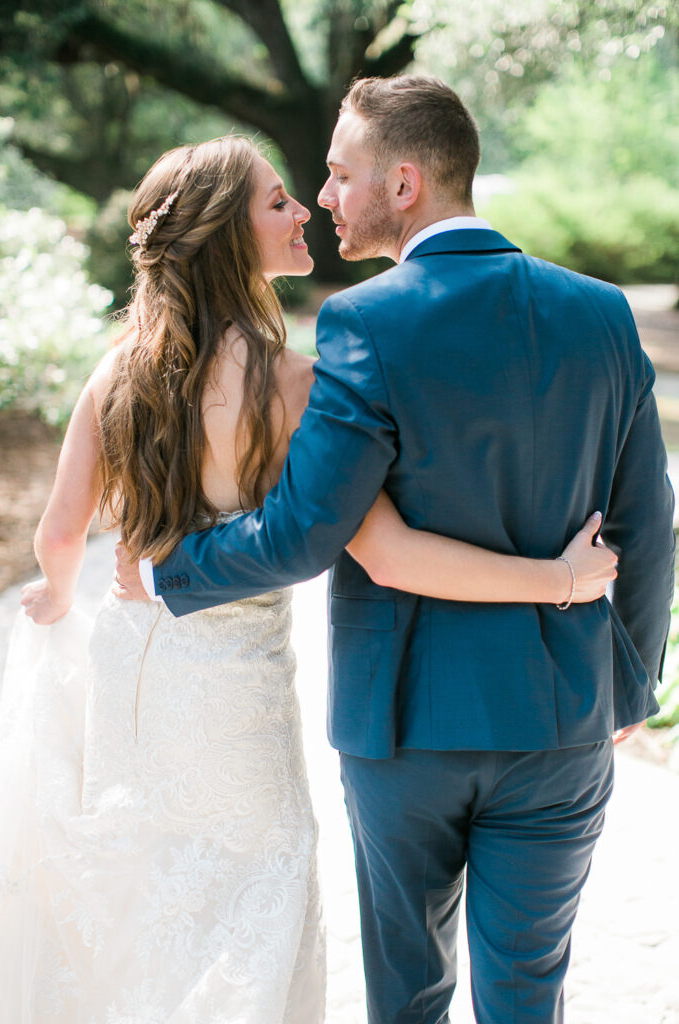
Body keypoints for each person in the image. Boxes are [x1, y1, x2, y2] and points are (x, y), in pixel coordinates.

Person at [0, 135, 613, 1024]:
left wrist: (60, 599)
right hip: (235, 689)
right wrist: (556, 576)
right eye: (279, 200)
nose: (306, 210)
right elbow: (384, 547)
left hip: (133, 677)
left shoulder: (119, 369)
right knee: (258, 887)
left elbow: (60, 535)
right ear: (226, 236)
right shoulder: (290, 383)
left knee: (145, 889)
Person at [117, 78, 675, 1023]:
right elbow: (647, 517)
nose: (325, 195)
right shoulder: (601, 313)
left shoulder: (365, 323)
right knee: (526, 993)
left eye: (340, 174)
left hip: (404, 722)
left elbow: (303, 530)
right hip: (561, 715)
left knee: (405, 993)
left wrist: (169, 570)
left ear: (405, 183)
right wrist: (631, 680)